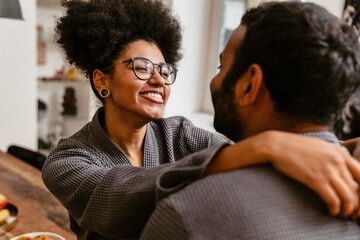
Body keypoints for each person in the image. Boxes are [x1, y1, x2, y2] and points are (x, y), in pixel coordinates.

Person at [42, 0, 360, 239]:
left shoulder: (178, 133)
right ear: (102, 81)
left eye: (164, 71)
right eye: (141, 67)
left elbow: (249, 159)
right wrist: (265, 145)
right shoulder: (66, 161)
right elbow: (114, 196)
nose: (158, 80)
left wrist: (343, 149)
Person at [140, 2, 360, 239]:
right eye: (142, 69)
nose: (158, 81)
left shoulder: (189, 213)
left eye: (221, 66)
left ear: (249, 86)